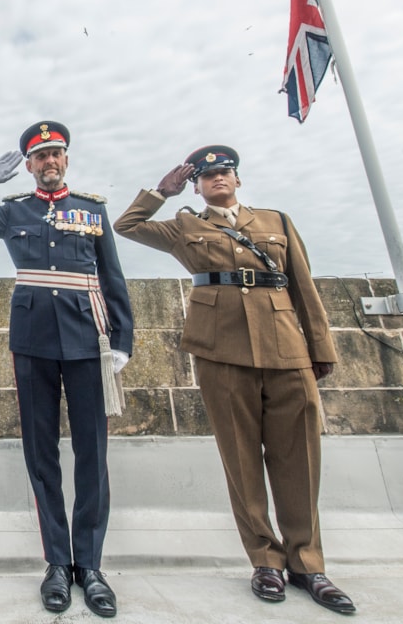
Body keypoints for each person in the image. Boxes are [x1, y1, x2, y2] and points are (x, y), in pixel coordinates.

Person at [112, 145, 356, 615]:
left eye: (224, 172)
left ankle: (308, 563)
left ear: (238, 179)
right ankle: (266, 561)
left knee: (300, 458)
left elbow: (303, 285)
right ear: (197, 185)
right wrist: (161, 192)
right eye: (207, 176)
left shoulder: (276, 221)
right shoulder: (186, 226)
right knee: (241, 458)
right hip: (221, 350)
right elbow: (127, 226)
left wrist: (320, 348)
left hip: (286, 347)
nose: (217, 179)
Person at [0, 121, 132, 618]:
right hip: (33, 342)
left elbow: (112, 276)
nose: (49, 162)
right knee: (40, 453)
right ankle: (56, 561)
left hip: (89, 342)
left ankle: (89, 567)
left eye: (56, 154)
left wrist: (123, 341)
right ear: (28, 166)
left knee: (92, 454)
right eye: (40, 157)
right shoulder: (14, 212)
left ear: (66, 160)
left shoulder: (91, 210)